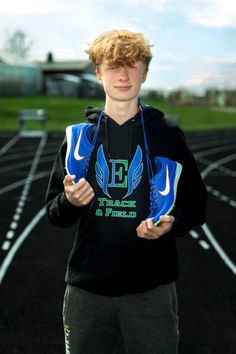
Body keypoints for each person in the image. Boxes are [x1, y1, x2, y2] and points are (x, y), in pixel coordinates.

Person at [45, 29, 207, 354]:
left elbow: (196, 205)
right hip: (87, 288)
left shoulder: (167, 135)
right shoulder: (78, 139)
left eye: (132, 65)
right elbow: (54, 213)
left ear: (145, 72)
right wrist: (70, 201)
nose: (123, 75)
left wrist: (171, 222)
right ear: (98, 74)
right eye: (113, 66)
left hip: (151, 289)